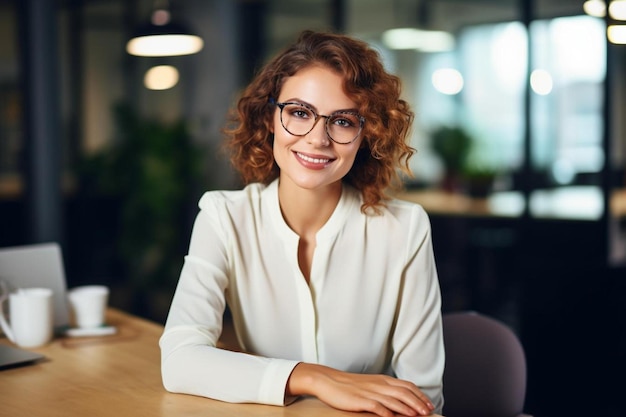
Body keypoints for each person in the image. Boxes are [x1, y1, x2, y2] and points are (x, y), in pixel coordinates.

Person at [159, 30, 444, 417]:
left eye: (342, 121)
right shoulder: (223, 216)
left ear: (367, 134)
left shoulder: (405, 228)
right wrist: (314, 377)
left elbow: (422, 399)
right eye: (299, 112)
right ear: (270, 118)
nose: (317, 139)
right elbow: (180, 359)